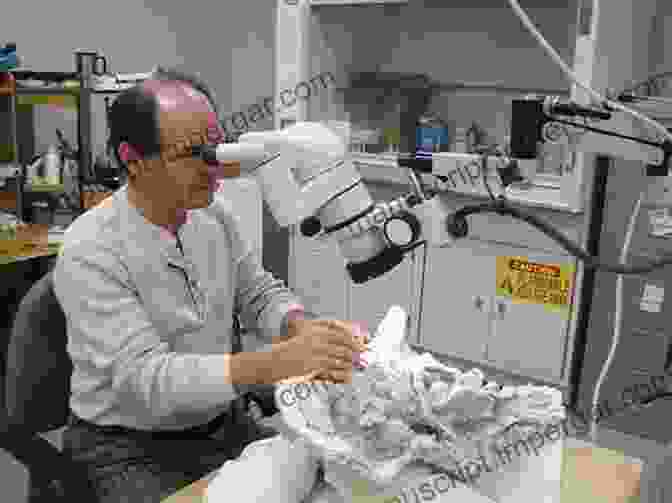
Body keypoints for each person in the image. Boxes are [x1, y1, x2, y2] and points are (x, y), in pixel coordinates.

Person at [52, 66, 368, 502]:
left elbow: (256, 291)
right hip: (126, 446)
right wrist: (277, 362)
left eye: (217, 147)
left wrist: (300, 327)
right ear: (133, 158)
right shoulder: (90, 249)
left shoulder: (213, 216)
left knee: (332, 486)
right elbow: (148, 383)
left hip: (221, 421)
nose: (214, 167)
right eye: (192, 154)